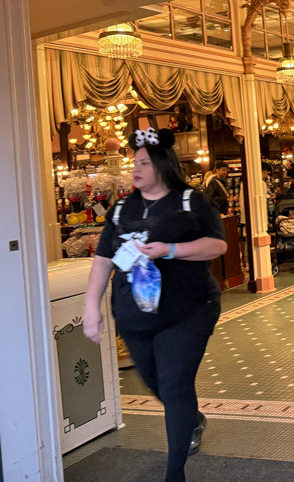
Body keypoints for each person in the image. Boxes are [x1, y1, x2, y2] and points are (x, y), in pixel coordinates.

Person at [83, 128, 226, 482]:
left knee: (175, 384)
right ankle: (191, 418)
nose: (136, 169)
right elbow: (103, 259)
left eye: (144, 163)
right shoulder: (120, 208)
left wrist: (171, 250)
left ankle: (174, 473)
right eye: (135, 163)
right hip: (134, 313)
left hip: (189, 308)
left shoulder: (189, 200)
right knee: (155, 383)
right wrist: (91, 307)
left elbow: (217, 246)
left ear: (162, 165)